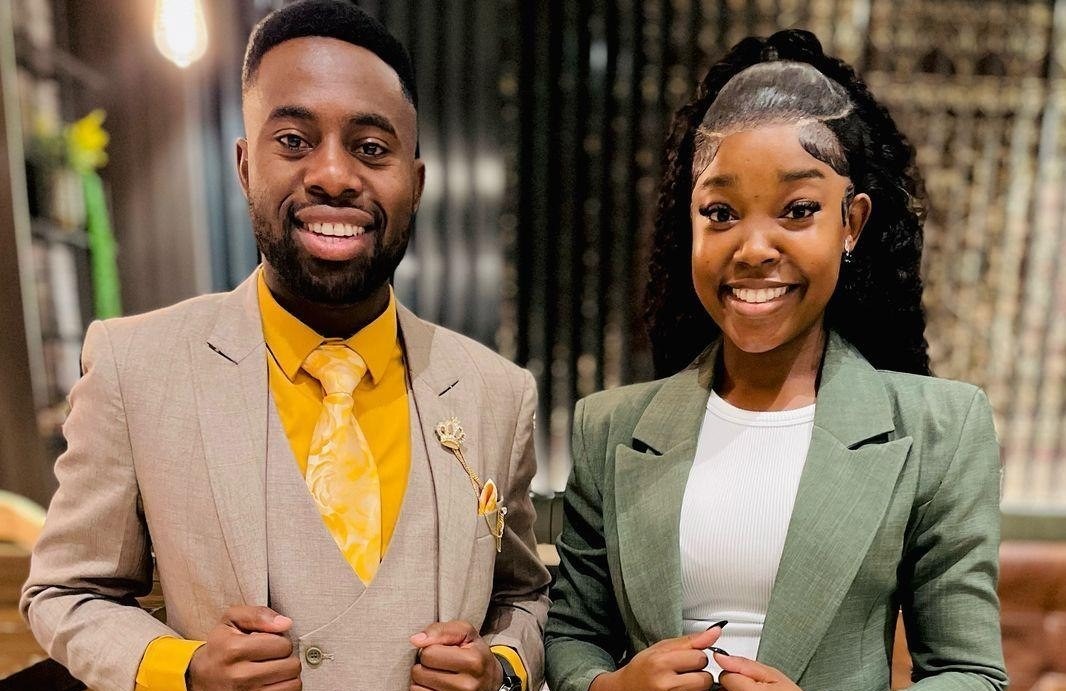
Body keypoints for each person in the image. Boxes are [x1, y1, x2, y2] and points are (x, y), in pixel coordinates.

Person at [21, 3, 549, 691]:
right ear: (245, 166)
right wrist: (182, 670)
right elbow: (66, 592)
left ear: (415, 184)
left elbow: (524, 597)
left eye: (371, 148)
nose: (333, 175)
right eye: (295, 141)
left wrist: (503, 670)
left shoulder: (497, 392)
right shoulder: (135, 367)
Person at [544, 29, 1007, 691]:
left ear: (851, 223)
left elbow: (970, 674)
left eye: (797, 210)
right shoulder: (608, 426)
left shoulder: (941, 428)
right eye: (720, 211)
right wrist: (607, 686)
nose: (755, 247)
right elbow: (572, 633)